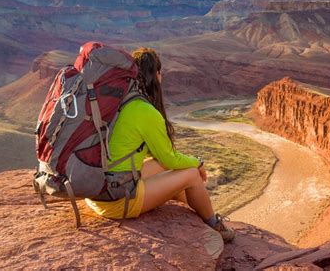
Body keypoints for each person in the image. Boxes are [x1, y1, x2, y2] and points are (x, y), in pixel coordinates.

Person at [85, 47, 235, 242]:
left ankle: (191, 212)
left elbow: (163, 160)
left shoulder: (117, 101)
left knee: (161, 166)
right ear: (155, 75)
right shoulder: (145, 111)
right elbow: (170, 158)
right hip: (116, 200)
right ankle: (214, 225)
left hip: (97, 190)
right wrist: (197, 163)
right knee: (190, 174)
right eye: (159, 72)